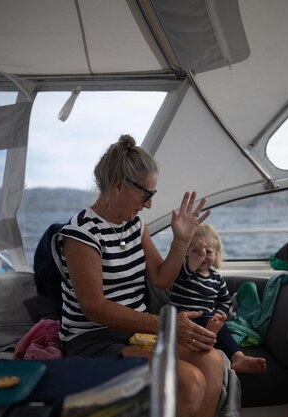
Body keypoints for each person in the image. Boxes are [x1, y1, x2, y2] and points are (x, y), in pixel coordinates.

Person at [51, 134, 226, 417]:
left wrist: (182, 241)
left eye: (152, 195)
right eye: (147, 193)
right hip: (95, 340)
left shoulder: (134, 225)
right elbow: (94, 308)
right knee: (188, 381)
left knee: (213, 362)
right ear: (120, 186)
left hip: (136, 334)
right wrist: (166, 325)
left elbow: (160, 278)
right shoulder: (81, 234)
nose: (149, 204)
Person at [170, 224, 268, 374]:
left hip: (207, 317)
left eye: (207, 252)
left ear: (216, 255)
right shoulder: (184, 272)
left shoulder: (217, 278)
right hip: (183, 317)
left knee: (223, 329)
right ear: (187, 253)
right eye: (195, 251)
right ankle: (205, 339)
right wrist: (196, 259)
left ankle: (238, 357)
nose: (202, 255)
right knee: (188, 330)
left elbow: (225, 301)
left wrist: (218, 313)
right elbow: (184, 272)